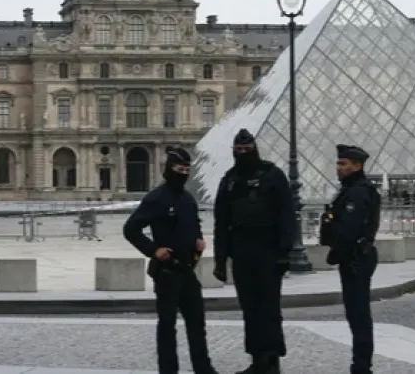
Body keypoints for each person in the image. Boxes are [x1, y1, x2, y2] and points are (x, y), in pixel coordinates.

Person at [123, 148, 216, 374]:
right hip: (166, 272)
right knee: (167, 326)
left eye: (186, 170)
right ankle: (168, 370)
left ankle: (203, 369)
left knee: (197, 323)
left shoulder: (188, 199)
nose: (183, 174)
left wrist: (199, 240)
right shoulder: (156, 198)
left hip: (187, 269)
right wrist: (153, 250)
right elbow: (131, 229)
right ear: (169, 169)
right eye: (179, 169)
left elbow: (194, 225)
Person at [213, 129, 294, 374]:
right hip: (241, 249)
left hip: (268, 249)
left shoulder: (273, 175)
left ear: (255, 149)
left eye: (247, 150)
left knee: (269, 307)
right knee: (249, 307)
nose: (243, 154)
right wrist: (220, 260)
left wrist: (285, 252)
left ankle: (272, 360)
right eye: (239, 150)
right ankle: (258, 359)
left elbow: (287, 215)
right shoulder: (229, 180)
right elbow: (221, 222)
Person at [320, 144, 381, 374]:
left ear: (357, 165)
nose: (338, 167)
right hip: (353, 257)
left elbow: (349, 229)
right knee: (355, 313)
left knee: (358, 314)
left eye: (342, 163)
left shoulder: (358, 192)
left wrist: (336, 251)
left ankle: (362, 367)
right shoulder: (351, 190)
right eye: (338, 163)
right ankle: (361, 364)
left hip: (356, 258)